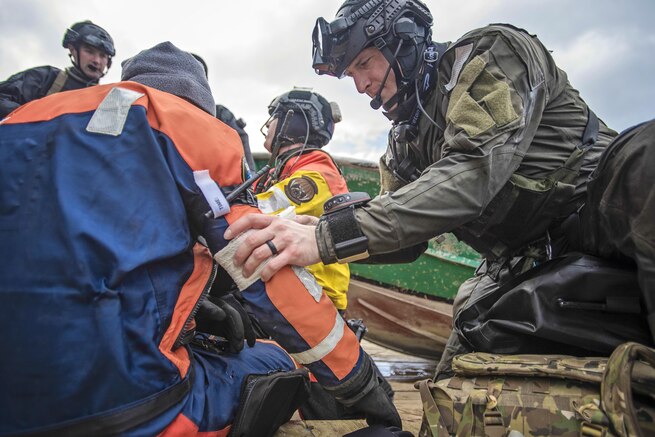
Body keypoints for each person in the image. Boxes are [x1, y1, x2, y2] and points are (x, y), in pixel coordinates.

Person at [224, 0, 654, 379]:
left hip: (598, 213)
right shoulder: (403, 145)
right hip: (522, 260)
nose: (361, 85)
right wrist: (319, 225)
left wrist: (324, 238)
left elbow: (472, 170)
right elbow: (408, 240)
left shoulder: (492, 54)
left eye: (364, 64)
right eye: (351, 75)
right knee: (455, 385)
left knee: (644, 158)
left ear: (403, 43)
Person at [0, 41, 401, 435]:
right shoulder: (187, 127)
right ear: (196, 101)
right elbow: (252, 253)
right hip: (127, 406)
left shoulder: (18, 121)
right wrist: (361, 382)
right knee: (279, 363)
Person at [255, 87, 351, 312]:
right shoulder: (285, 170)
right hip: (298, 288)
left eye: (275, 116)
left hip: (314, 296)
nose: (269, 124)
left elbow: (258, 212)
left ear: (292, 122)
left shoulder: (315, 174)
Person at [0, 20, 115, 119]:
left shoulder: (108, 100)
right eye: (89, 51)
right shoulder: (45, 77)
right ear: (73, 50)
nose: (97, 60)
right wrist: (39, 118)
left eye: (103, 56)